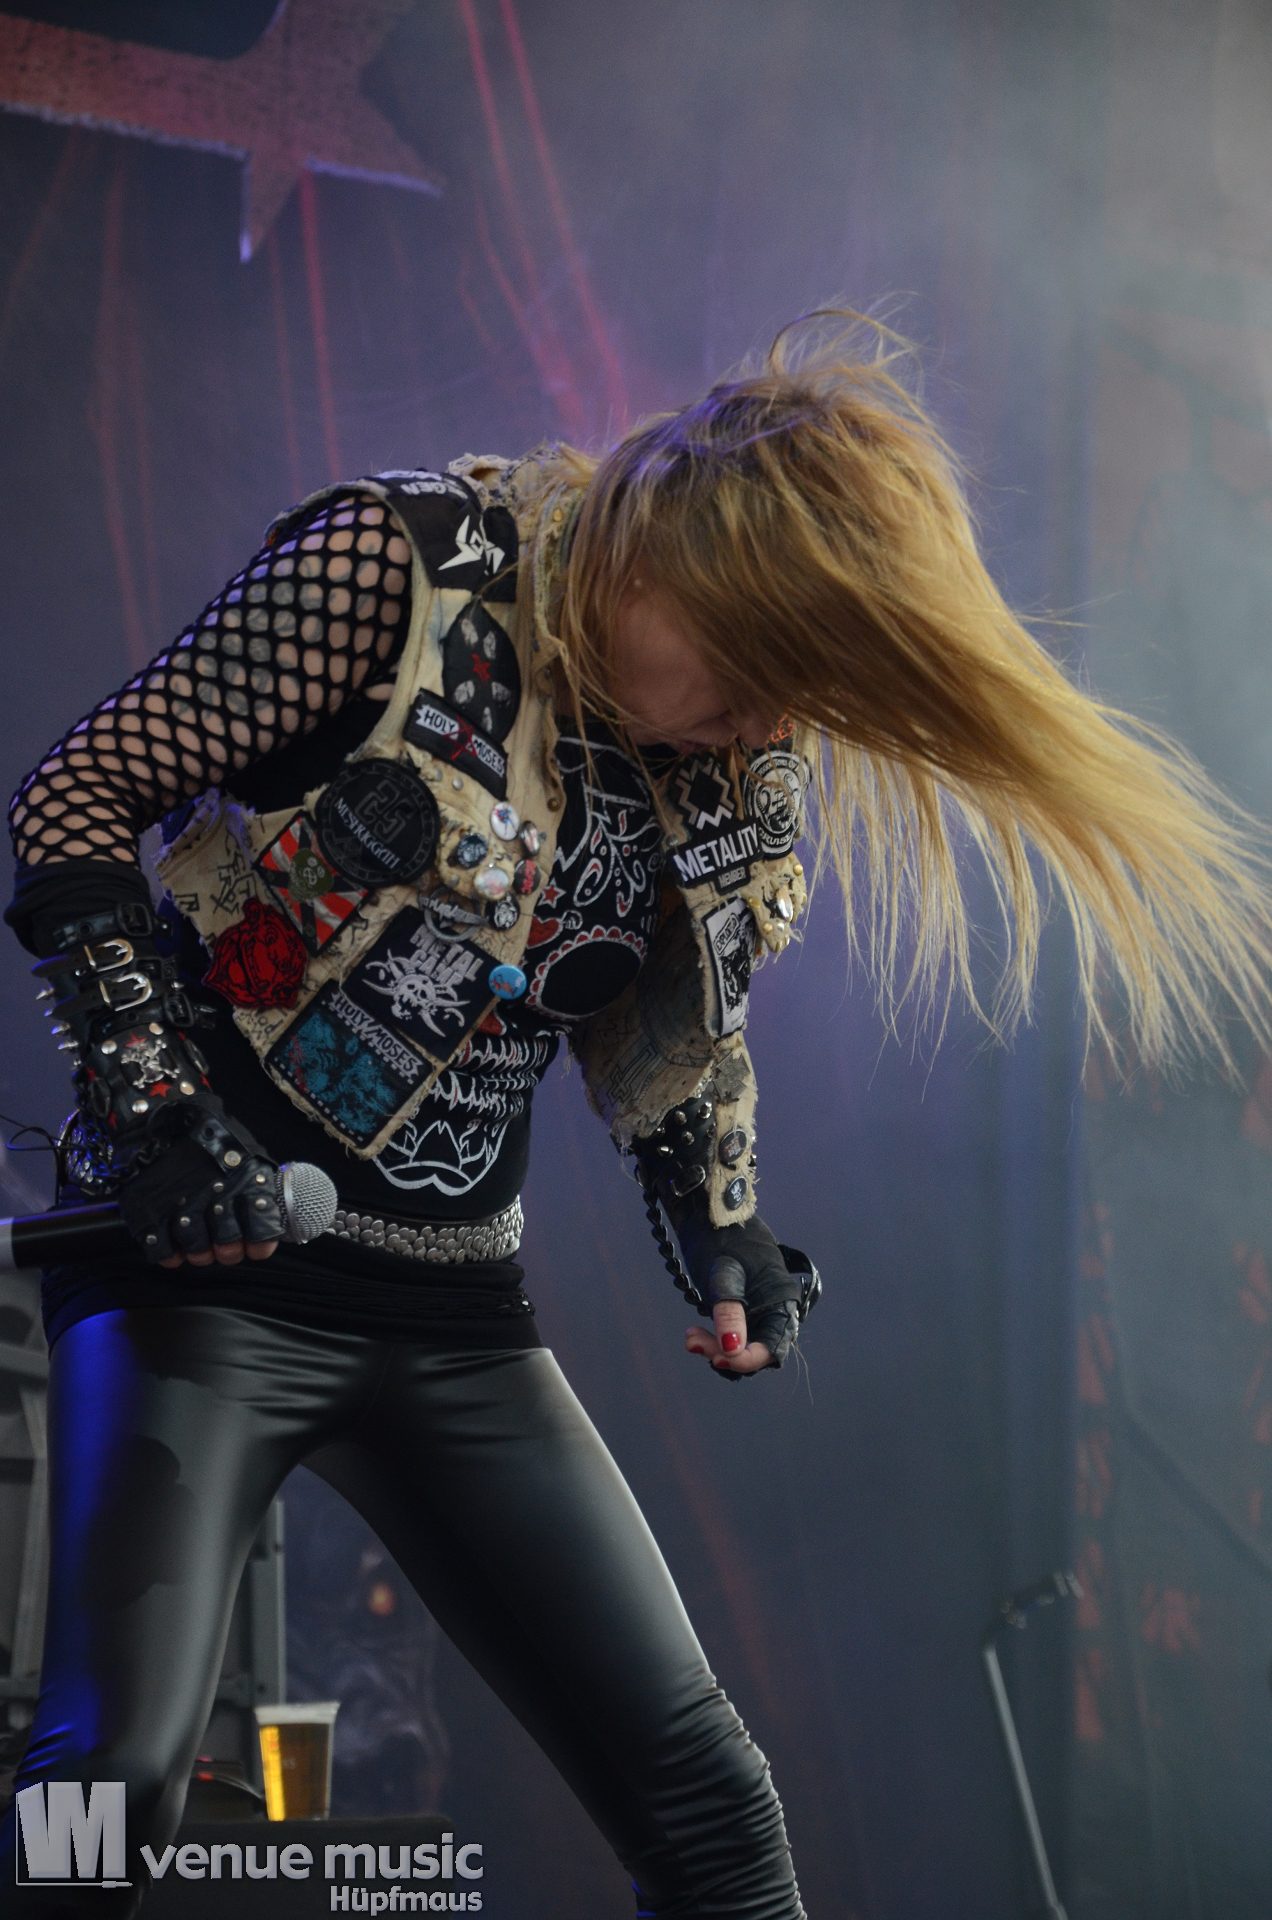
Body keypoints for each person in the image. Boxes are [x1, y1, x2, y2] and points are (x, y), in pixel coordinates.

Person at [1, 308, 1269, 1920]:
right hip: (208, 1282)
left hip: (453, 1312)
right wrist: (159, 1112)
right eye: (750, 683)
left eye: (793, 709)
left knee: (715, 1808)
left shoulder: (731, 751)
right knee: (108, 1779)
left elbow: (667, 1019)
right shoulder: (395, 571)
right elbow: (74, 796)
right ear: (660, 568)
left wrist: (722, 1231)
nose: (764, 733)